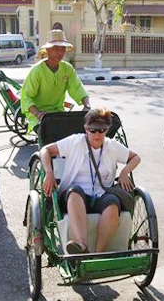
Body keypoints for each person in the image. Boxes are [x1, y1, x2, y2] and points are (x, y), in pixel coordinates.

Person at [40, 107, 141, 253]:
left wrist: (125, 171)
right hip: (74, 194)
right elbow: (45, 150)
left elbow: (135, 157)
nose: (97, 134)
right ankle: (81, 245)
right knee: (75, 192)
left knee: (113, 203)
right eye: (92, 130)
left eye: (102, 130)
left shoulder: (112, 146)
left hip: (102, 193)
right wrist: (49, 172)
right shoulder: (75, 141)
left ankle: (98, 254)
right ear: (86, 129)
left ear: (107, 130)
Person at [21, 29, 90, 131]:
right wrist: (38, 114)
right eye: (55, 48)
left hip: (58, 113)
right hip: (38, 116)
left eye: (62, 49)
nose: (59, 52)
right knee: (47, 138)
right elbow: (26, 97)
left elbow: (77, 88)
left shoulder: (67, 69)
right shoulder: (37, 70)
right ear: (48, 50)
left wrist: (87, 106)